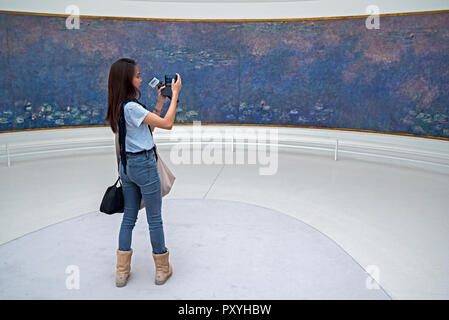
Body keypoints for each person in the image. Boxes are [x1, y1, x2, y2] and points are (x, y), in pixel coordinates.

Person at [105, 58, 182, 287]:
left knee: (129, 217)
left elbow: (146, 129)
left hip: (127, 167)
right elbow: (168, 124)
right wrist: (175, 94)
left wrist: (160, 102)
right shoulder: (132, 107)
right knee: (154, 218)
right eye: (137, 76)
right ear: (127, 81)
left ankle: (121, 272)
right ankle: (161, 269)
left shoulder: (118, 106)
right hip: (144, 166)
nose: (141, 79)